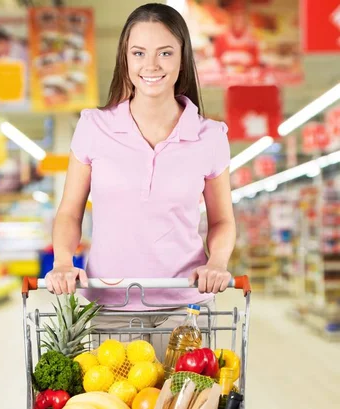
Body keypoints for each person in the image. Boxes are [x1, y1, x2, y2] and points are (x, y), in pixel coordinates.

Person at [44, 3, 236, 354]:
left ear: (182, 58)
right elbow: (69, 212)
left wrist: (217, 263)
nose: (151, 65)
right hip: (109, 307)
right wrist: (62, 263)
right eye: (139, 53)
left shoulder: (210, 136)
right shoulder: (94, 126)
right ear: (126, 59)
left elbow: (222, 220)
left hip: (183, 309)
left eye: (165, 52)